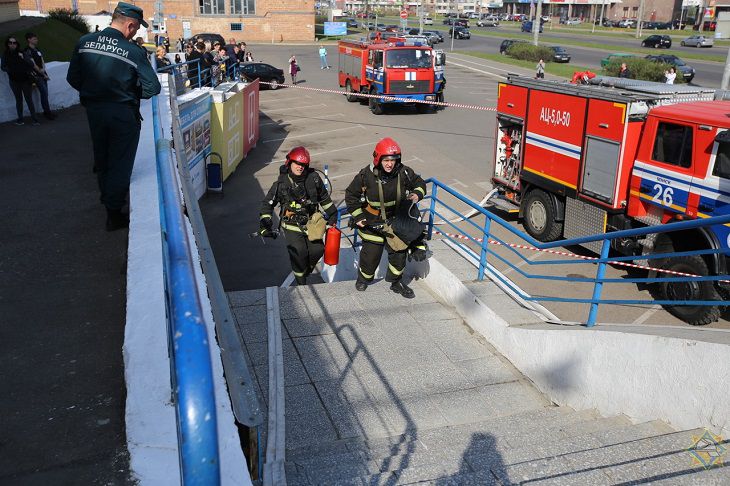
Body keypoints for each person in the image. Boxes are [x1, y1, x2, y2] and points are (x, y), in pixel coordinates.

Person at [67, 2, 161, 231]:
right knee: (120, 162)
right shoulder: (132, 51)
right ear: (129, 25)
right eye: (137, 28)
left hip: (95, 110)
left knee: (102, 157)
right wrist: (129, 92)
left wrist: (94, 93)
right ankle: (114, 212)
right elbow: (153, 88)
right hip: (122, 113)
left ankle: (106, 198)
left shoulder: (84, 42)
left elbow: (73, 78)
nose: (136, 33)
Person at [345, 137, 427, 298]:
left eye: (393, 160)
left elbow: (420, 183)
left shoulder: (404, 172)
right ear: (378, 159)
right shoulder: (365, 175)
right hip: (371, 222)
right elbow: (351, 195)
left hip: (396, 222)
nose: (390, 164)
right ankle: (363, 279)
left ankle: (395, 282)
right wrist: (359, 216)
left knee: (399, 255)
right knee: (371, 256)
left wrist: (417, 194)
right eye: (386, 160)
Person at [259, 147, 338, 285]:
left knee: (318, 250)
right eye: (297, 163)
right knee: (299, 252)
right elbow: (267, 204)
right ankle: (301, 282)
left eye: (303, 165)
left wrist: (333, 214)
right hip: (291, 225)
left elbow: (324, 198)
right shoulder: (281, 184)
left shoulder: (314, 179)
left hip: (312, 223)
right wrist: (265, 222)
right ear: (289, 163)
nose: (300, 167)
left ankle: (304, 271)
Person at [1, 35, 39, 125]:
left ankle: (35, 119)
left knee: (29, 99)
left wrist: (23, 57)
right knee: (19, 100)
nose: (12, 44)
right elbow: (2, 67)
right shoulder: (5, 54)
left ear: (17, 44)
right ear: (7, 44)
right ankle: (20, 119)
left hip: (25, 80)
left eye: (14, 43)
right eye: (10, 43)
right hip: (14, 81)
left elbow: (30, 63)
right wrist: (10, 70)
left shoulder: (22, 52)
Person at [24, 32, 56, 120]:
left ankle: (47, 111)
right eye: (34, 39)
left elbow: (42, 60)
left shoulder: (37, 49)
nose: (36, 40)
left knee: (45, 94)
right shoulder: (27, 51)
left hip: (42, 74)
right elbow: (33, 64)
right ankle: (47, 113)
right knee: (44, 93)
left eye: (36, 38)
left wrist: (44, 71)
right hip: (36, 76)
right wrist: (42, 73)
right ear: (29, 40)